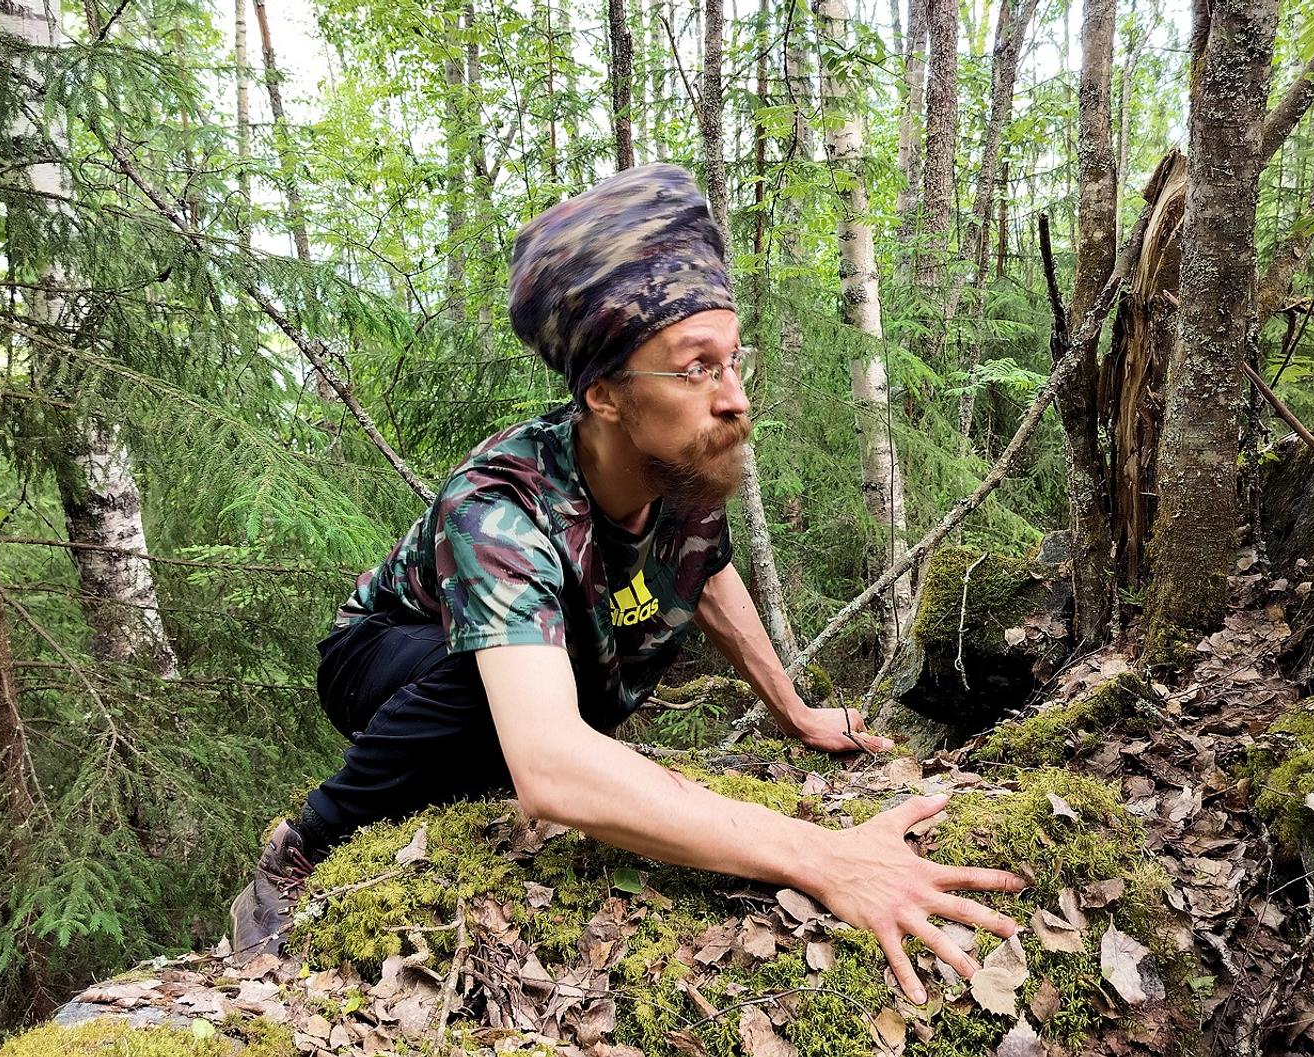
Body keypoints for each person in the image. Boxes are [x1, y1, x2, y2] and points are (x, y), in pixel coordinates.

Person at [229, 164, 1023, 1004]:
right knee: (519, 685)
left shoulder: (679, 463)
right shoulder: (499, 506)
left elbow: (709, 573)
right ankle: (302, 844)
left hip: (518, 660)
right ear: (605, 394)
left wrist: (793, 711)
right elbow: (551, 767)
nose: (734, 398)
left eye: (734, 360)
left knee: (560, 678)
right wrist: (823, 856)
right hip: (384, 654)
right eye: (696, 368)